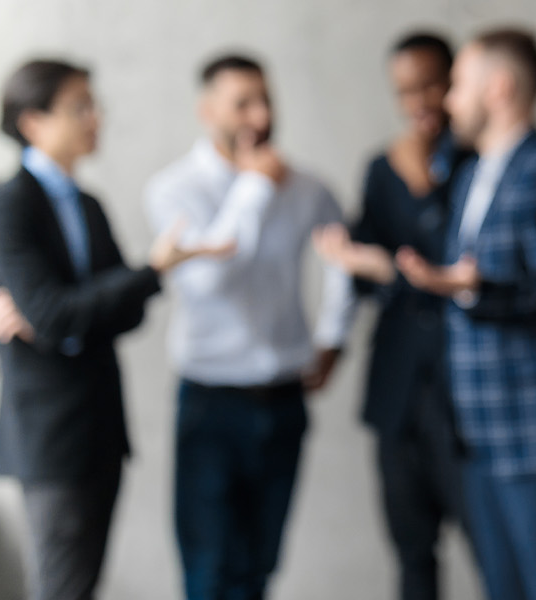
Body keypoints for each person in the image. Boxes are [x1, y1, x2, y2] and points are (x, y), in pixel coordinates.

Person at [0, 59, 227, 600]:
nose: (96, 118)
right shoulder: (5, 208)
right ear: (32, 122)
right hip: (51, 436)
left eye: (94, 105)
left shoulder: (87, 205)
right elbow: (60, 313)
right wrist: (149, 271)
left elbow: (123, 314)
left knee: (84, 585)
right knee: (61, 587)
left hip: (102, 429)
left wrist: (64, 312)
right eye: (79, 107)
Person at [394, 28, 536, 600]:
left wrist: (475, 290)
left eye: (458, 83)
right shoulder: (472, 174)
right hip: (477, 437)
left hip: (535, 436)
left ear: (500, 88)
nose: (447, 99)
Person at [144, 53, 355, 600]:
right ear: (207, 109)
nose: (259, 117)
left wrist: (333, 338)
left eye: (266, 101)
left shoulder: (307, 187)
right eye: (243, 103)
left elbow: (343, 258)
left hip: (284, 401)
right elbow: (208, 282)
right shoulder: (173, 190)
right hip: (211, 405)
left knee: (260, 569)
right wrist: (255, 189)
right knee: (210, 570)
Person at [313, 32, 473, 600]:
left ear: (457, 80)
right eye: (405, 91)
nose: (419, 102)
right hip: (400, 388)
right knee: (411, 555)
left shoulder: (482, 158)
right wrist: (357, 263)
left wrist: (423, 187)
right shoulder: (382, 167)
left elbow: (463, 262)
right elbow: (364, 270)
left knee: (492, 552)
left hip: (468, 393)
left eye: (431, 84)